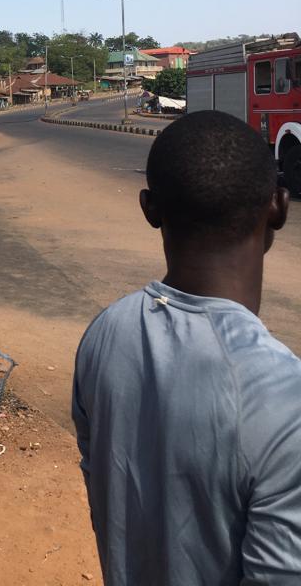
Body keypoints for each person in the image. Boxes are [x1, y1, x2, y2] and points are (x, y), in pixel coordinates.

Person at [72, 110, 294, 586]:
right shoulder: (284, 395)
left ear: (150, 209)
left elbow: (105, 498)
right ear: (278, 206)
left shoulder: (104, 334)